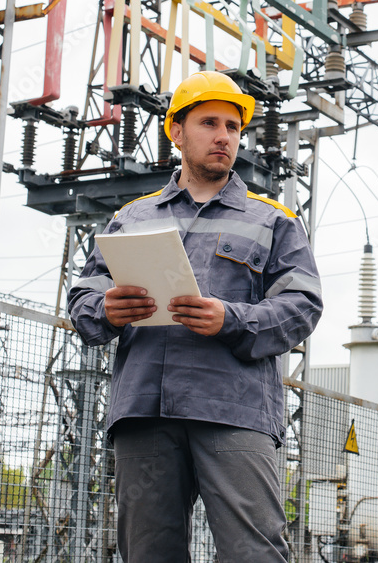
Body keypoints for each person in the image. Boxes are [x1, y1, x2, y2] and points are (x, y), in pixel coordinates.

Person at [67, 70, 323, 562]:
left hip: (233, 411)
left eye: (233, 126)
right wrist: (107, 309)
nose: (224, 136)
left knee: (255, 552)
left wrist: (231, 319)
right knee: (148, 553)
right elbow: (83, 301)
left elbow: (301, 305)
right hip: (145, 412)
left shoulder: (274, 220)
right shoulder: (132, 218)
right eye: (210, 123)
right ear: (177, 132)